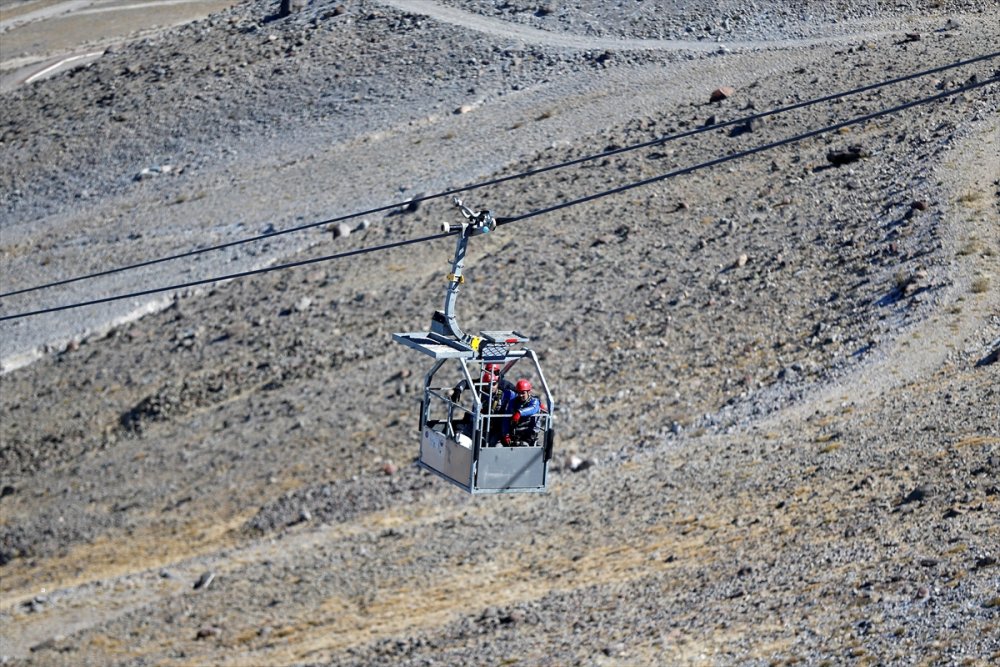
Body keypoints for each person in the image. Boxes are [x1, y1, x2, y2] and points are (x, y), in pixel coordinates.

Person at [501, 378, 542, 446]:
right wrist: (506, 434)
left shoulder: (534, 401)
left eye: (523, 393)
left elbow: (533, 408)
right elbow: (506, 418)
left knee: (524, 446)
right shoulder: (513, 402)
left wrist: (519, 413)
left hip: (528, 435)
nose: (520, 395)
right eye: (519, 392)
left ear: (528, 392)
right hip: (515, 434)